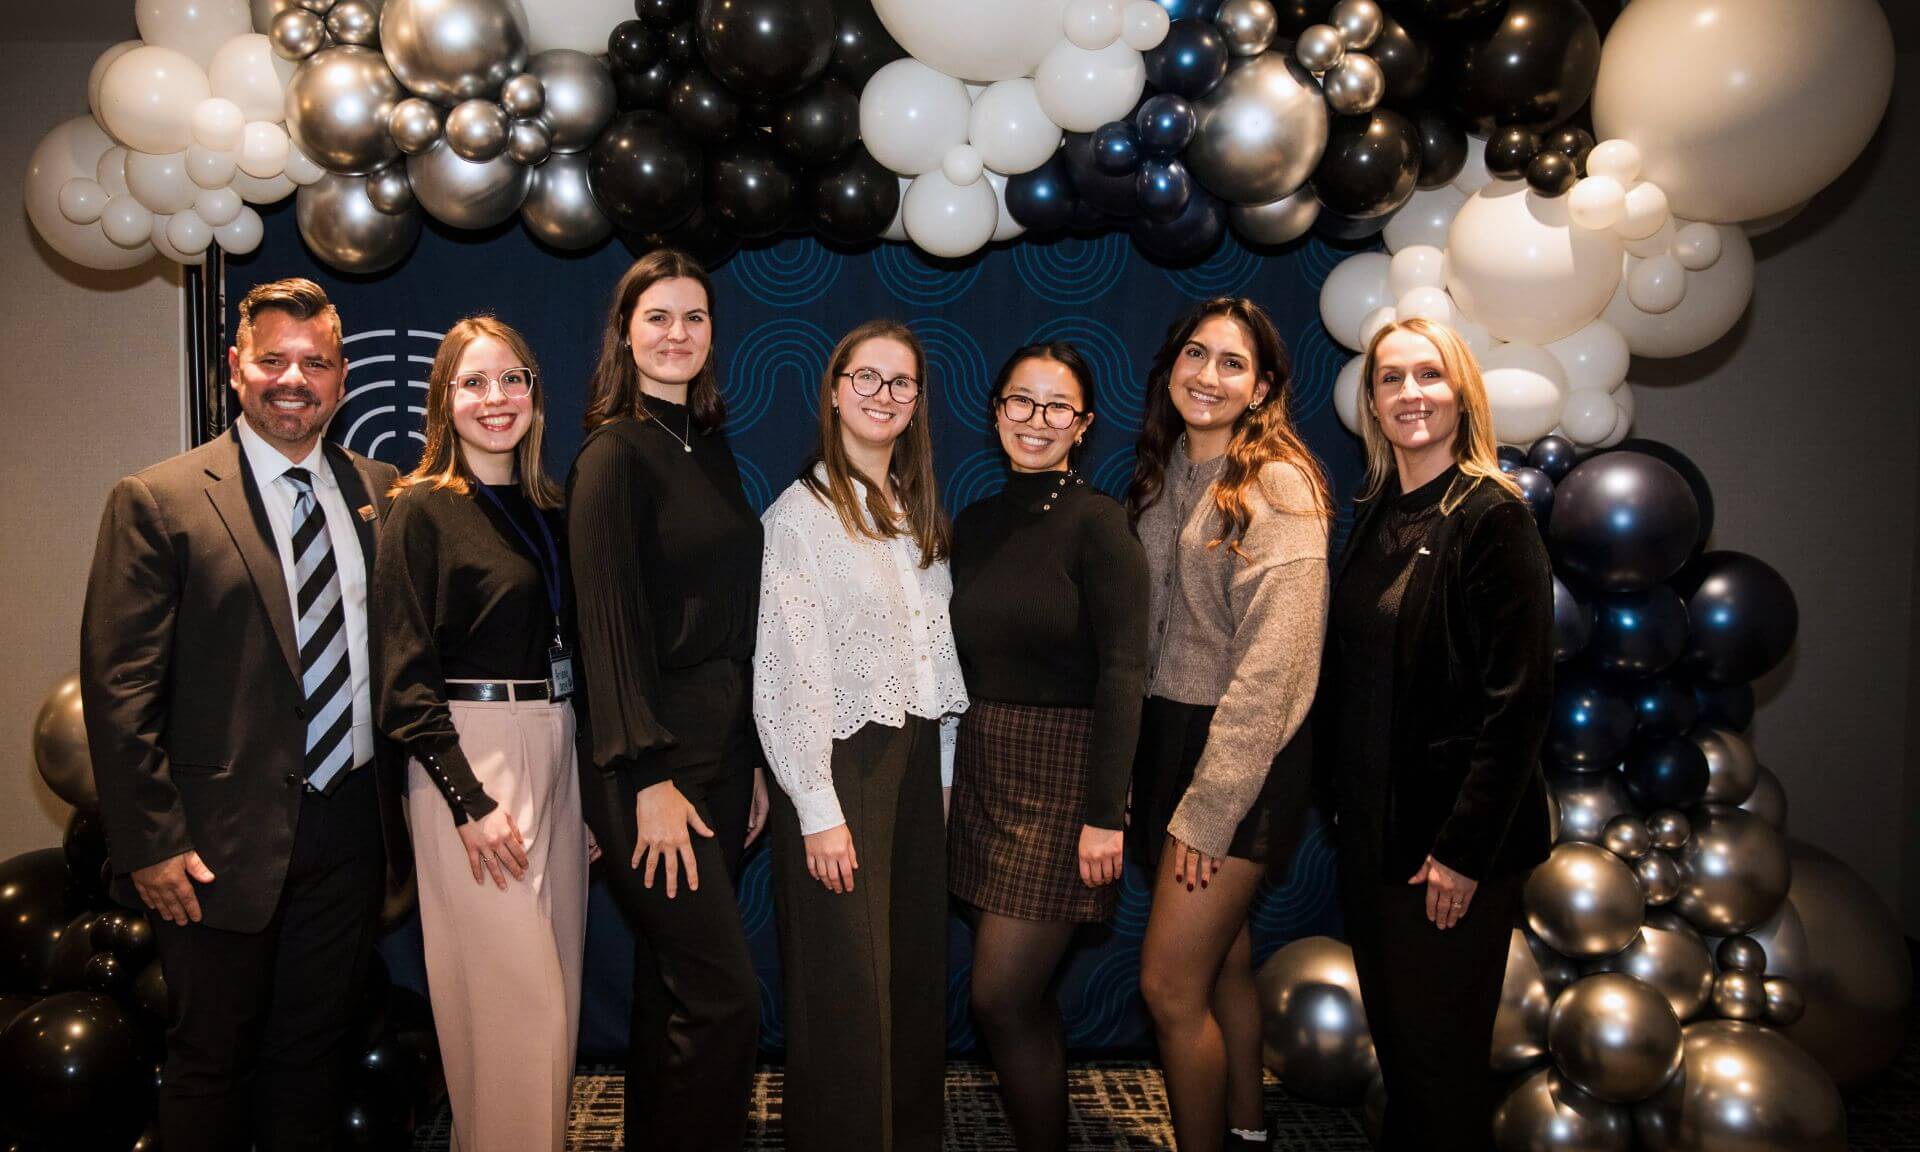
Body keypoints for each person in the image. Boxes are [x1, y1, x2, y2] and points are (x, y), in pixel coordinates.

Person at [80, 278, 408, 1152]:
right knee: (209, 1062)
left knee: (312, 1059)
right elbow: (119, 689)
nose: (293, 378)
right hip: (211, 846)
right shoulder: (159, 500)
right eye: (273, 360)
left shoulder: (387, 493)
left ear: (342, 378)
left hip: (350, 831)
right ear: (236, 368)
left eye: (315, 362)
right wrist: (149, 841)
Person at [1318, 317, 1553, 1151]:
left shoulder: (1493, 517)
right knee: (1408, 1064)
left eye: (1429, 376)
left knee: (1442, 1077)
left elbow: (1517, 705)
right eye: (1391, 379)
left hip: (1446, 858)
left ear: (1462, 395)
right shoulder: (1380, 513)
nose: (1409, 393)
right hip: (1376, 845)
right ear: (1373, 404)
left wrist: (1462, 850)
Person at [567, 250, 766, 1151]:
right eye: (658, 316)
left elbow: (734, 618)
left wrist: (755, 760)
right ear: (625, 331)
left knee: (673, 990)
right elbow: (604, 630)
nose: (677, 334)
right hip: (649, 765)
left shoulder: (710, 446)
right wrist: (645, 777)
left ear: (713, 335)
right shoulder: (613, 453)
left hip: (721, 761)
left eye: (693, 318)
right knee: (724, 1000)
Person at [375, 315, 588, 1151]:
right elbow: (402, 677)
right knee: (513, 1007)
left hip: (557, 741)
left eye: (510, 380)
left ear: (535, 395)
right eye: (472, 382)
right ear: (444, 402)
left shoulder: (551, 507)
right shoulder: (420, 509)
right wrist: (468, 799)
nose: (493, 399)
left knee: (555, 1000)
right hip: (468, 757)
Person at [754, 319, 967, 1152]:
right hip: (842, 771)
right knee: (848, 992)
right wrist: (816, 805)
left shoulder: (913, 513)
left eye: (901, 383)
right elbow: (783, 672)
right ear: (835, 391)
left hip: (916, 769)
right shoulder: (799, 518)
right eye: (867, 378)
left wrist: (944, 774)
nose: (884, 395)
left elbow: (932, 660)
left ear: (916, 404)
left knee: (912, 980)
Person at [1127, 297, 1332, 1152]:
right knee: (1227, 964)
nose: (1208, 376)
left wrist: (1211, 808)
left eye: (1232, 363)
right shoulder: (1169, 469)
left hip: (1241, 755)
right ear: (1171, 366)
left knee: (1171, 989)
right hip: (1167, 739)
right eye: (1195, 355)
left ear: (1264, 387)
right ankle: (1249, 1131)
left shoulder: (1276, 484)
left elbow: (1275, 675)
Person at [948, 343, 1148, 1151]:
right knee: (1020, 999)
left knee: (1000, 995)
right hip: (986, 767)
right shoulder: (975, 523)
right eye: (1021, 403)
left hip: (1068, 778)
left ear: (1083, 425)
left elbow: (1125, 673)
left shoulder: (1100, 525)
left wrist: (1106, 814)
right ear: (995, 411)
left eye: (1056, 407)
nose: (1036, 421)